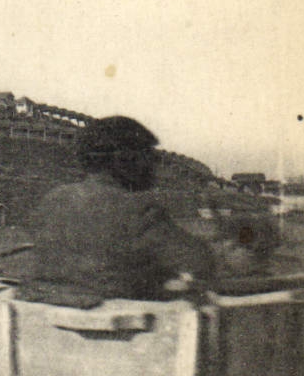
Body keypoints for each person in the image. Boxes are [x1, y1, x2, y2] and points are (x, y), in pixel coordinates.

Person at [20, 116, 216, 306]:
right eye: (149, 156)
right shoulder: (137, 209)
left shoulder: (52, 200)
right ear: (125, 160)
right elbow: (201, 262)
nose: (154, 166)